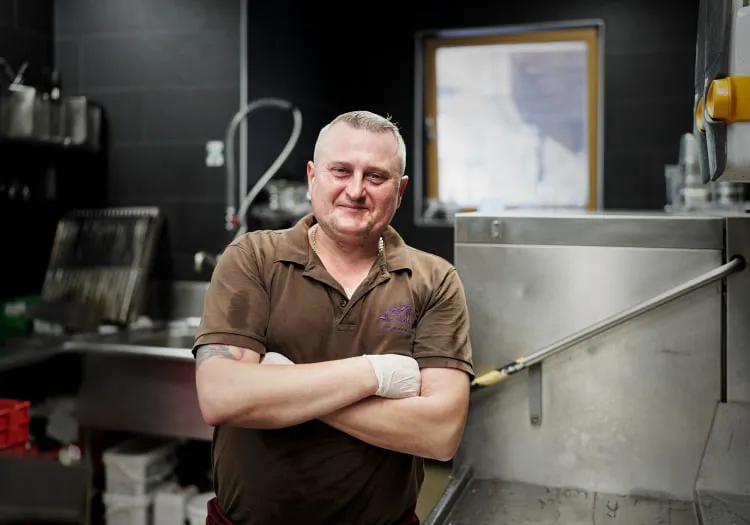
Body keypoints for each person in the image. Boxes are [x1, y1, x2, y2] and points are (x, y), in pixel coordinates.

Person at [192, 110, 474, 525]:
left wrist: (282, 382)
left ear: (400, 190)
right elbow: (220, 396)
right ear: (312, 176)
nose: (355, 190)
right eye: (341, 170)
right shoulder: (252, 259)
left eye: (376, 177)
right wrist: (376, 374)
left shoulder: (434, 280)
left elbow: (439, 434)